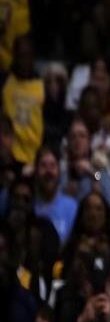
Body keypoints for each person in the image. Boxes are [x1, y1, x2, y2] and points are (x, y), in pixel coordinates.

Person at [1, 35, 44, 167]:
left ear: (33, 57)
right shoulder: (4, 82)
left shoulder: (42, 85)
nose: (23, 60)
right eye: (20, 55)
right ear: (14, 57)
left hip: (35, 156)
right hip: (9, 155)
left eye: (27, 55)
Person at [60, 118, 110, 204]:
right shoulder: (62, 174)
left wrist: (91, 172)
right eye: (73, 137)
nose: (78, 140)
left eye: (82, 136)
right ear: (68, 143)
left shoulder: (99, 172)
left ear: (89, 141)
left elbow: (107, 203)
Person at [34, 146, 78, 245]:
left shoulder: (72, 207)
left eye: (52, 166)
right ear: (36, 171)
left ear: (59, 172)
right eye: (43, 166)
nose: (48, 171)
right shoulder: (28, 203)